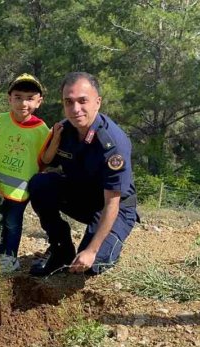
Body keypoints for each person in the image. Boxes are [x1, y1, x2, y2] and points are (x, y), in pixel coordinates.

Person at [30, 72, 139, 276]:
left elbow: (112, 203)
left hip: (114, 207)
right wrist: (53, 140)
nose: (75, 109)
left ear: (98, 102)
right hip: (82, 197)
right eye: (68, 102)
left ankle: (107, 249)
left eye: (82, 101)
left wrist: (91, 250)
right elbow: (45, 162)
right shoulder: (64, 131)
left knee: (89, 265)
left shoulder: (112, 144)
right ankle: (60, 250)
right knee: (39, 184)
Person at [0, 73, 49, 273]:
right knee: (0, 220)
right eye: (18, 97)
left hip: (20, 189)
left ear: (39, 102)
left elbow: (45, 159)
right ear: (9, 98)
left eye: (30, 98)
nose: (23, 103)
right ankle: (1, 254)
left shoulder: (42, 130)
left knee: (12, 222)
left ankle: (10, 258)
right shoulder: (0, 120)